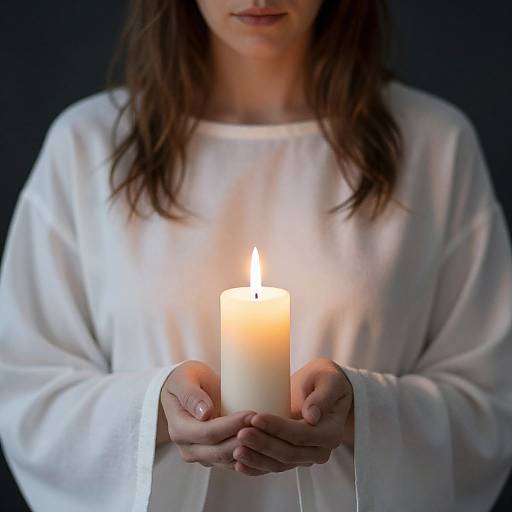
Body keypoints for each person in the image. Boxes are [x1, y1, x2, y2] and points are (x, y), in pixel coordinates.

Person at [1, 1, 511, 511]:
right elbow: (25, 391)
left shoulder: (431, 144)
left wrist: (360, 408)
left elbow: (490, 402)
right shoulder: (91, 145)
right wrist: (154, 410)